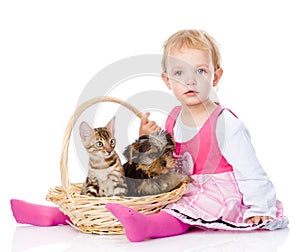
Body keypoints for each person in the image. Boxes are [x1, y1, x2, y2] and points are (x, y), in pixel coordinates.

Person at [11, 29, 288, 242]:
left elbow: (252, 172)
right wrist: (146, 139)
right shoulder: (174, 118)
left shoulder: (224, 123)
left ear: (216, 76)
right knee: (128, 190)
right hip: (179, 185)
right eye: (180, 72)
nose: (190, 80)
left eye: (201, 71)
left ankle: (148, 228)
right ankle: (63, 213)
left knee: (174, 215)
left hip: (214, 194)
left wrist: (258, 209)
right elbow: (162, 159)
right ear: (167, 80)